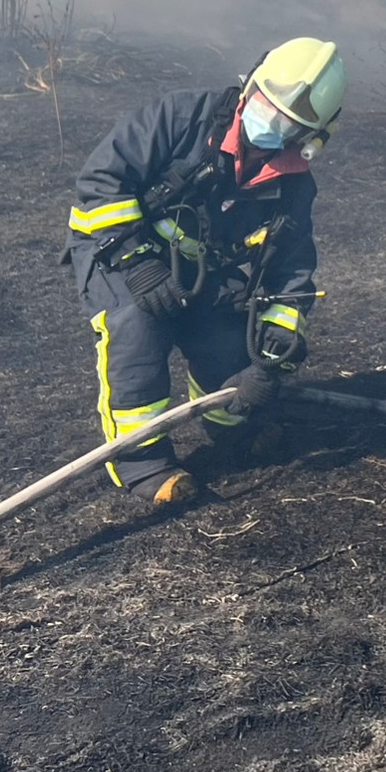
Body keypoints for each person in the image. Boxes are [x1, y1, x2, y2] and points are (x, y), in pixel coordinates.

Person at [61, 37, 347, 506]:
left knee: (231, 345)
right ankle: (142, 464)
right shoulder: (178, 118)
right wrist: (138, 261)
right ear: (249, 84)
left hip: (200, 269)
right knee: (137, 327)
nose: (269, 123)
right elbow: (101, 181)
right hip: (118, 251)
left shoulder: (292, 185)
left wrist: (275, 353)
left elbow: (291, 264)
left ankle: (230, 429)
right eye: (265, 105)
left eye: (288, 123)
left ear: (311, 138)